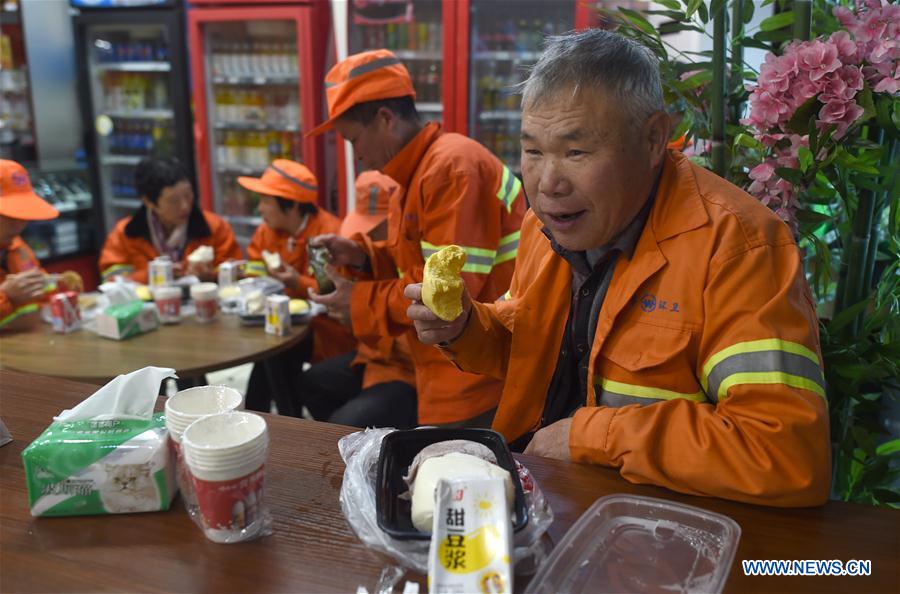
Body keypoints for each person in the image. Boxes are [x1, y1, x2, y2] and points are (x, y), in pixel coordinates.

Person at [405, 30, 830, 506]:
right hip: (544, 498)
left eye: (576, 152)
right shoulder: (545, 228)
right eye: (533, 151)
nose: (547, 184)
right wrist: (464, 327)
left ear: (652, 139)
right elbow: (530, 349)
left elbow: (784, 452)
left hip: (664, 524)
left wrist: (590, 437)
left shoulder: (738, 246)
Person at [307, 49, 526, 428]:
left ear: (385, 119)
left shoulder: (450, 169)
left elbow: (444, 296)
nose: (357, 156)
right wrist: (362, 255)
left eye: (354, 140)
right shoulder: (416, 175)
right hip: (444, 361)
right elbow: (417, 264)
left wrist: (356, 301)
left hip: (476, 372)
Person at [297, 170, 418, 428]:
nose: (366, 236)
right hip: (374, 355)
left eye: (373, 229)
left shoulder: (416, 246)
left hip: (410, 367)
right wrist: (360, 258)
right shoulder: (366, 253)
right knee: (309, 383)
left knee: (343, 424)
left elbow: (410, 302)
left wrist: (357, 306)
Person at [239, 160, 355, 414]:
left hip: (326, 331)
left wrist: (296, 282)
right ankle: (266, 417)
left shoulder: (326, 235)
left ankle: (287, 418)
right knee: (268, 362)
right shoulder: (267, 232)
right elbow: (253, 273)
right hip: (282, 326)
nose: (259, 208)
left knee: (275, 360)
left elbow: (332, 292)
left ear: (291, 205)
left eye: (265, 201)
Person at [99, 158, 241, 283]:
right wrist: (152, 275)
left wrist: (211, 276)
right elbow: (110, 279)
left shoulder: (215, 227)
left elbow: (238, 272)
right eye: (174, 201)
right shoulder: (124, 234)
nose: (185, 206)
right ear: (149, 202)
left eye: (188, 195)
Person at [0, 159, 82, 328]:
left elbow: (40, 290)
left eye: (22, 213)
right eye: (8, 215)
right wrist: (5, 295)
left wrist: (58, 284)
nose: (19, 225)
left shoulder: (16, 245)